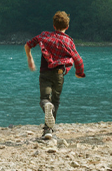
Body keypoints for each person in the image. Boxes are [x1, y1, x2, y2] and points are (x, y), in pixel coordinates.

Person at [24, 10, 85, 138]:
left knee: (44, 99)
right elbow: (78, 60)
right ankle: (49, 130)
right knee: (55, 101)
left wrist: (30, 59)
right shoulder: (68, 42)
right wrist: (79, 73)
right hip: (59, 75)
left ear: (53, 25)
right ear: (67, 27)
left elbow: (28, 45)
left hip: (45, 73)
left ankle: (47, 107)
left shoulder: (44, 36)